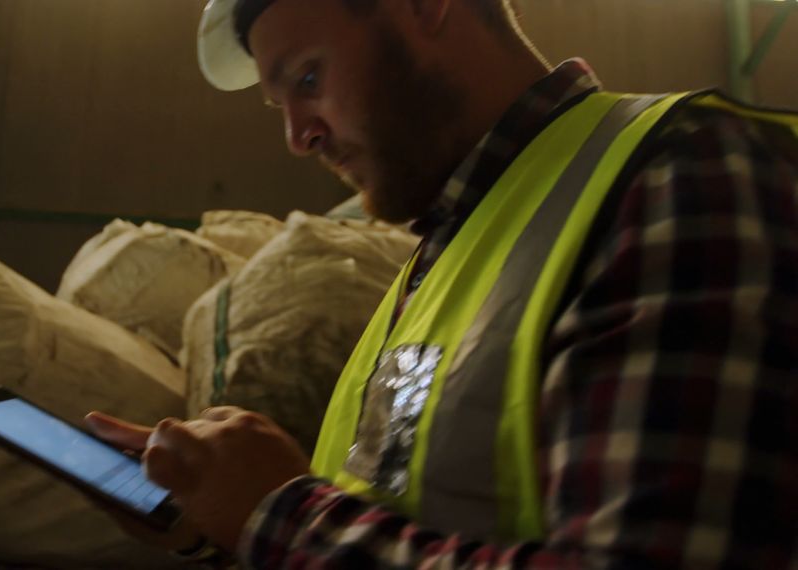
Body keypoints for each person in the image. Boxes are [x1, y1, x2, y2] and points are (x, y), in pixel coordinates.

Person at [87, 0, 798, 567]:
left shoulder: (682, 174)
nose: (298, 136)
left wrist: (277, 514)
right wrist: (218, 514)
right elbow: (401, 507)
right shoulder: (444, 255)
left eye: (307, 79)